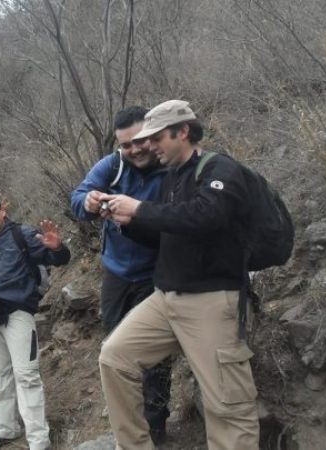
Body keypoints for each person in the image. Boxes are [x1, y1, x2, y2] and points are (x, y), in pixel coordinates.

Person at [97, 100, 259, 449]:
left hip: (212, 300)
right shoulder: (172, 177)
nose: (150, 146)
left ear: (183, 132)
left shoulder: (220, 170)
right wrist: (128, 223)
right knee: (114, 358)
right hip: (166, 299)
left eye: (157, 138)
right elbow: (168, 234)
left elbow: (206, 216)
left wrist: (140, 208)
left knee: (228, 406)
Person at [70, 106, 171, 443]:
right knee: (115, 348)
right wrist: (88, 203)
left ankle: (155, 425)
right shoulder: (112, 166)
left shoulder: (170, 168)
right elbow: (78, 197)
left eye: (139, 141)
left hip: (156, 272)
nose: (134, 150)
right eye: (126, 145)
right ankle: (127, 422)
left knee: (154, 356)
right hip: (116, 272)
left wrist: (137, 214)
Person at [0, 195, 71, 450]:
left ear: (2, 211)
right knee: (0, 374)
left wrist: (58, 247)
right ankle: (6, 428)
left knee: (27, 376)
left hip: (18, 314)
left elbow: (58, 258)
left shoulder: (22, 235)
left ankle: (38, 441)